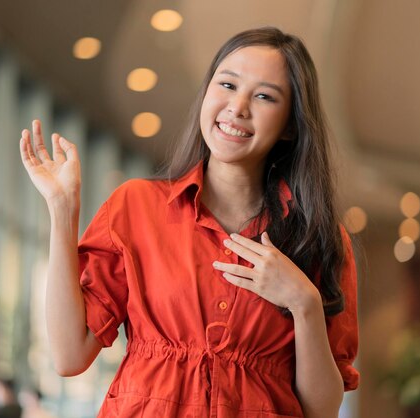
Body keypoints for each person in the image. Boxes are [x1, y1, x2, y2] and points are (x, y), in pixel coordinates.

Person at [20, 27, 359, 418]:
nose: (238, 107)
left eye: (264, 96)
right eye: (227, 85)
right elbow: (68, 355)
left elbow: (321, 410)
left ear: (290, 125)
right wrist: (63, 212)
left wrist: (305, 303)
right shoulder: (135, 207)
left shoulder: (319, 239)